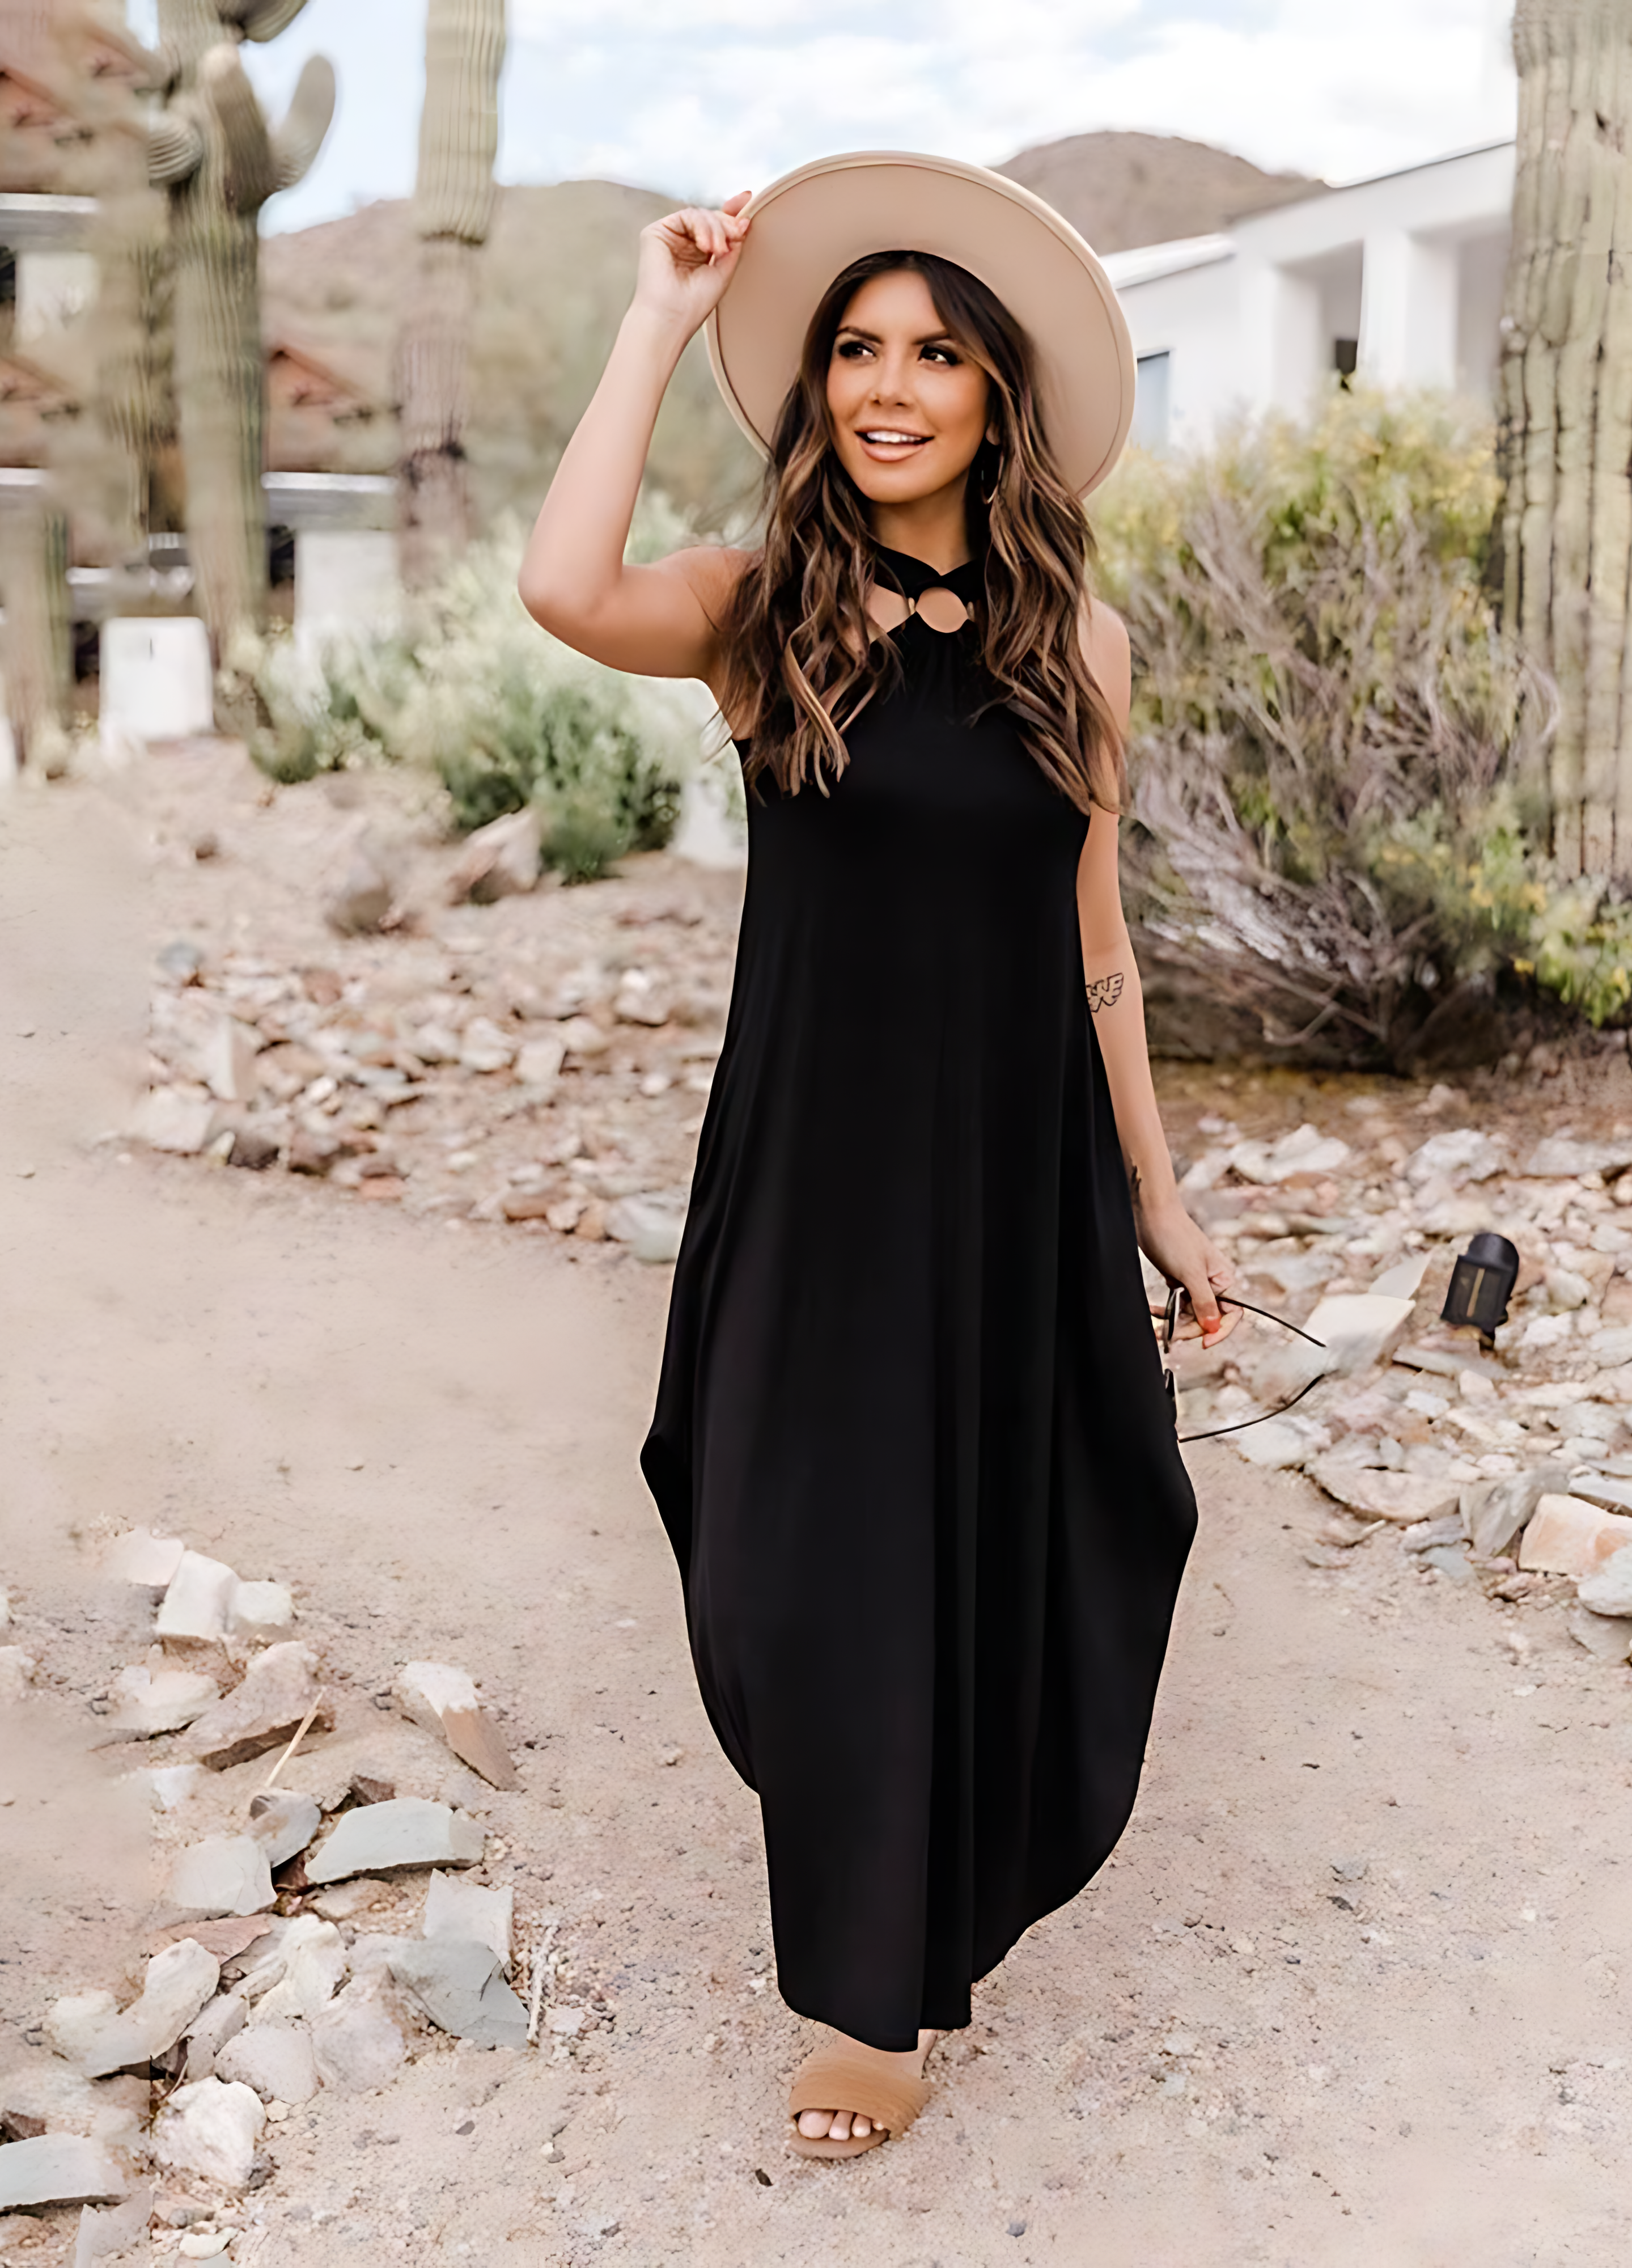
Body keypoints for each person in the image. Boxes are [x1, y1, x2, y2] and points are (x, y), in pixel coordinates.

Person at [518, 151, 1239, 2161]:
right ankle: (876, 1894)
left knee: (994, 1546)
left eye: (935, 352)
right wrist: (662, 318)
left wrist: (1158, 1195)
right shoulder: (770, 617)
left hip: (1015, 1192)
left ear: (1000, 396)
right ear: (820, 389)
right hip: (817, 1185)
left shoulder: (1075, 648)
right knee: (791, 1564)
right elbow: (565, 588)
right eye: (855, 350)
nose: (890, 383)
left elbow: (1096, 949)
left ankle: (876, 1989)